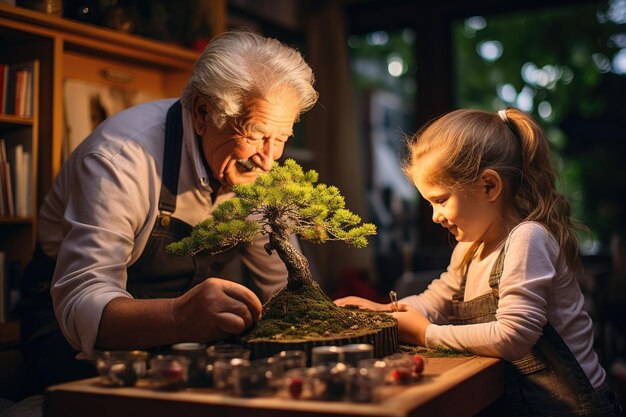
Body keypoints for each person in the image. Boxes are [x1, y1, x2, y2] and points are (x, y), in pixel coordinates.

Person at [20, 30, 319, 392]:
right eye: (255, 134)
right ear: (201, 113)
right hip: (65, 328)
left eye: (281, 139)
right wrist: (178, 316)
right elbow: (82, 304)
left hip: (185, 331)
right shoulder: (121, 158)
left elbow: (281, 285)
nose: (269, 161)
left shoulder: (256, 170)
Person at [336, 108, 622, 416]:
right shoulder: (469, 249)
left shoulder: (528, 239)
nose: (435, 216)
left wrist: (425, 334)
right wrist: (381, 314)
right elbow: (435, 300)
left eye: (441, 200)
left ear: (489, 186)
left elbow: (513, 336)